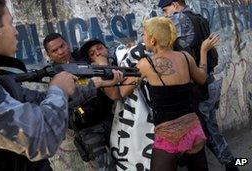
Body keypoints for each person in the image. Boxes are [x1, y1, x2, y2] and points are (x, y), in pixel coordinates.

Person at [0, 0, 78, 170]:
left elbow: (35, 100)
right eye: (11, 23)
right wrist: (58, 90)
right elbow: (42, 137)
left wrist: (94, 83)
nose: (16, 32)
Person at [118, 16, 219, 171]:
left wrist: (107, 79)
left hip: (168, 136)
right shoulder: (186, 57)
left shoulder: (146, 64)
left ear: (153, 40)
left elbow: (122, 91)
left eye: (144, 34)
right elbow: (202, 78)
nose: (142, 38)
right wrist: (203, 51)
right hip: (193, 130)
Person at [158, 1, 239, 170]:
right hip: (207, 80)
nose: (166, 15)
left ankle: (233, 164)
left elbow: (164, 45)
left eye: (166, 10)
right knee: (206, 129)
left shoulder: (177, 19)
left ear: (174, 5)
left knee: (207, 132)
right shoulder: (198, 18)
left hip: (198, 86)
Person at [43, 33, 123, 170]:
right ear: (49, 55)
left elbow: (104, 56)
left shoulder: (84, 57)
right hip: (87, 129)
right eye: (54, 51)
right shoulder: (53, 76)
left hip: (109, 117)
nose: (61, 52)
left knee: (127, 160)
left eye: (62, 46)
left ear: (67, 44)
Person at [81, 39, 155, 170]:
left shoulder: (122, 60)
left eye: (99, 48)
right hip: (102, 126)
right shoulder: (94, 73)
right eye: (92, 53)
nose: (97, 53)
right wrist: (102, 65)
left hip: (128, 119)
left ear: (107, 49)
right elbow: (115, 94)